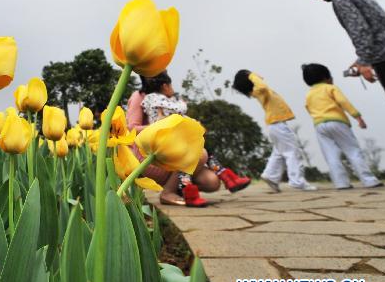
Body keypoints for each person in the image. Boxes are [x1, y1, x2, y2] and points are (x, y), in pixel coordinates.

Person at [133, 72, 250, 207]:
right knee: (197, 153)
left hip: (171, 140)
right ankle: (177, 191)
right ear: (165, 86)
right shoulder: (153, 99)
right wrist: (187, 114)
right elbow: (177, 111)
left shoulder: (155, 99)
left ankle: (226, 176)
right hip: (164, 144)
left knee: (207, 168)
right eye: (171, 86)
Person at [303, 0, 385, 107]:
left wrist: (364, 62)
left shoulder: (340, 0)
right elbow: (377, 31)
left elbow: (361, 30)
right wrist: (360, 61)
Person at [301, 62, 383, 190]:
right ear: (326, 77)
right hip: (337, 122)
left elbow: (308, 108)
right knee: (352, 151)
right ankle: (368, 180)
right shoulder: (330, 88)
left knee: (331, 155)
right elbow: (343, 102)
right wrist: (358, 117)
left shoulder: (309, 94)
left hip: (319, 125)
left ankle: (341, 183)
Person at [232, 70, 315, 193]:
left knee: (279, 152)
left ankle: (271, 175)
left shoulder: (257, 92)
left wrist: (250, 76)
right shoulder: (260, 90)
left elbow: (261, 86)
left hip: (274, 125)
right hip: (277, 125)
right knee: (292, 151)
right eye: (250, 74)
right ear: (250, 79)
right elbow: (262, 85)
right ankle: (297, 181)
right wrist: (252, 75)